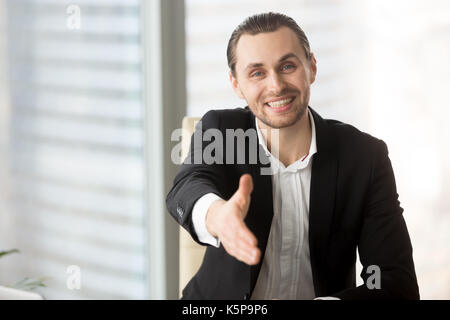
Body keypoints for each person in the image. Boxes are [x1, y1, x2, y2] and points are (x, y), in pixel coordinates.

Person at [166, 12, 419, 300]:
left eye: (287, 66)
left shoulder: (364, 157)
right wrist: (217, 216)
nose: (276, 85)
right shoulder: (221, 131)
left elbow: (392, 281)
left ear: (311, 67)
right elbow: (188, 184)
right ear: (236, 84)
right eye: (257, 72)